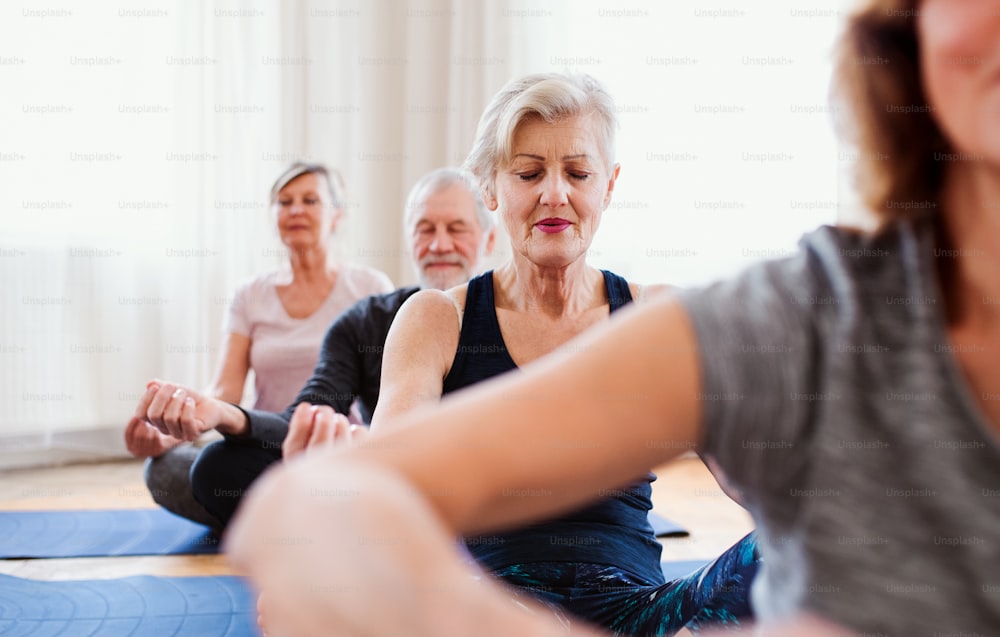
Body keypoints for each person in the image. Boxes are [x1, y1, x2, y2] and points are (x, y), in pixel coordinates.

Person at [225, 2, 1000, 636]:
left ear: (609, 186)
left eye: (577, 172)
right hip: (494, 607)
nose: (555, 194)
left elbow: (752, 481)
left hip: (642, 614)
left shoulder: (650, 309)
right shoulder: (435, 316)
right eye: (529, 173)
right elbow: (393, 457)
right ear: (492, 190)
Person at [130, 167, 496, 528]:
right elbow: (301, 415)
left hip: (484, 483)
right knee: (214, 466)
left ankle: (320, 526)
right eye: (425, 229)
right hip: (364, 474)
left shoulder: (515, 316)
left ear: (489, 240)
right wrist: (224, 414)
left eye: (456, 229)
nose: (439, 244)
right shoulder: (364, 320)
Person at [125, 162, 393, 529]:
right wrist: (169, 433)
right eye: (284, 202)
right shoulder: (250, 295)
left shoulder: (370, 287)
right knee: (164, 472)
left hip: (335, 452)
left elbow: (383, 393)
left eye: (310, 200)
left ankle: (269, 519)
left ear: (337, 214)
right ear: (273, 216)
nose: (295, 210)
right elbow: (225, 391)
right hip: (264, 445)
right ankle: (298, 519)